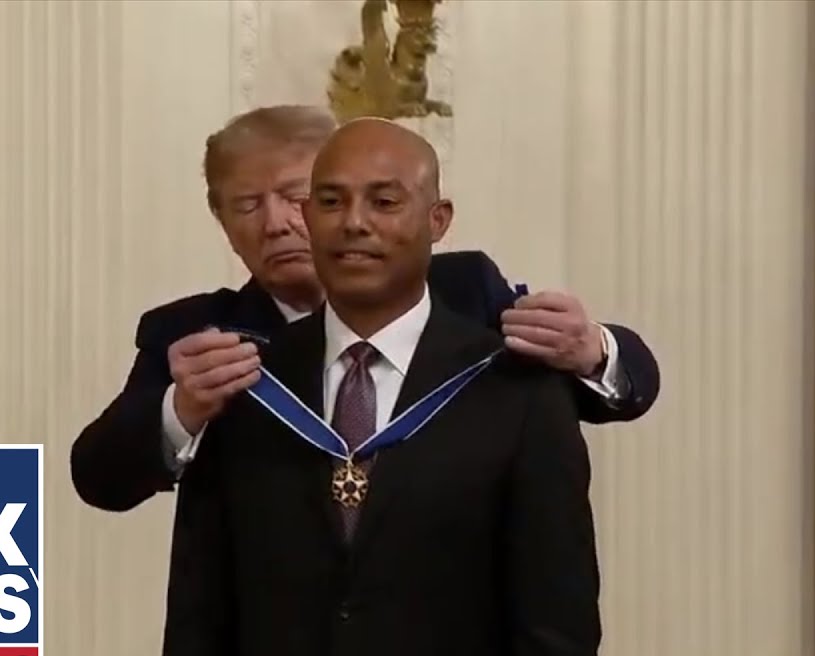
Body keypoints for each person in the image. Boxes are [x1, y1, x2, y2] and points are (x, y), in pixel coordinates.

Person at [166, 117, 601, 656]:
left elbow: (557, 626)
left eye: (385, 201)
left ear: (437, 220)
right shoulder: (245, 387)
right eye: (329, 201)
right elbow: (199, 619)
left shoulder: (515, 390)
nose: (354, 222)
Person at [71, 105, 658, 513]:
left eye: (298, 198)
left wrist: (592, 351)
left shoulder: (461, 293)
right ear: (220, 220)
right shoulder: (200, 336)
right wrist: (182, 409)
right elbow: (99, 478)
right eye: (247, 205)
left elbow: (622, 390)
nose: (276, 223)